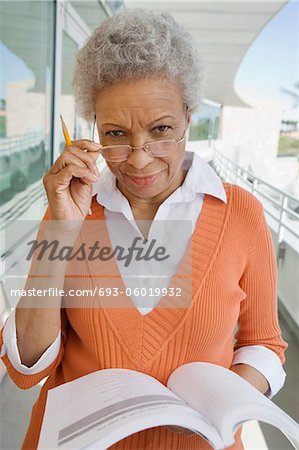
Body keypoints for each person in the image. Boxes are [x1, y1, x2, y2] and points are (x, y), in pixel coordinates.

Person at [0, 8, 288, 450]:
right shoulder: (73, 210)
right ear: (93, 126)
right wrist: (60, 230)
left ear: (189, 117)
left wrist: (220, 407)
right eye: (115, 134)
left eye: (161, 129)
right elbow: (27, 370)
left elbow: (265, 343)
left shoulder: (240, 213)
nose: (137, 158)